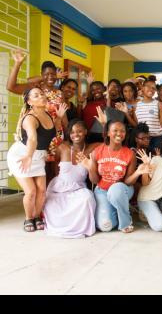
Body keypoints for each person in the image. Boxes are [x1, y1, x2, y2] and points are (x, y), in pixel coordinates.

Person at [77, 120, 152, 233]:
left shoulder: (130, 154)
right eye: (115, 130)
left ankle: (125, 222)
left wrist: (137, 173)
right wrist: (90, 168)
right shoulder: (97, 152)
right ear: (108, 133)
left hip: (122, 189)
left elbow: (128, 181)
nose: (119, 133)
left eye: (122, 131)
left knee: (115, 190)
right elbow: (95, 180)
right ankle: (118, 210)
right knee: (105, 226)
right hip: (102, 190)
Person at [7, 88, 64, 232]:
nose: (41, 96)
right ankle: (28, 218)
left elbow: (53, 130)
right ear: (29, 101)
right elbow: (32, 139)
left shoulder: (47, 114)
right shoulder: (30, 118)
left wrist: (59, 117)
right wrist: (28, 157)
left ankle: (37, 216)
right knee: (31, 191)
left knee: (42, 191)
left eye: (42, 94)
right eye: (36, 95)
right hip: (22, 155)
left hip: (37, 156)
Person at [7, 50, 67, 180]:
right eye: (47, 74)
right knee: (35, 167)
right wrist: (17, 63)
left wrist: (67, 135)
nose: (50, 77)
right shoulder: (34, 89)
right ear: (41, 75)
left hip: (54, 133)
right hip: (35, 133)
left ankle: (50, 198)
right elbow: (11, 87)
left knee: (53, 168)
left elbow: (63, 114)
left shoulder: (59, 93)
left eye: (53, 74)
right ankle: (34, 196)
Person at [44, 119, 100, 238]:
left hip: (78, 189)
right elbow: (55, 169)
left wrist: (104, 125)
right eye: (73, 132)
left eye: (79, 131)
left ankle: (79, 229)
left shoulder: (92, 149)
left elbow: (108, 144)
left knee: (88, 198)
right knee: (51, 205)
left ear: (85, 132)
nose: (76, 135)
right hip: (59, 189)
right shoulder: (63, 147)